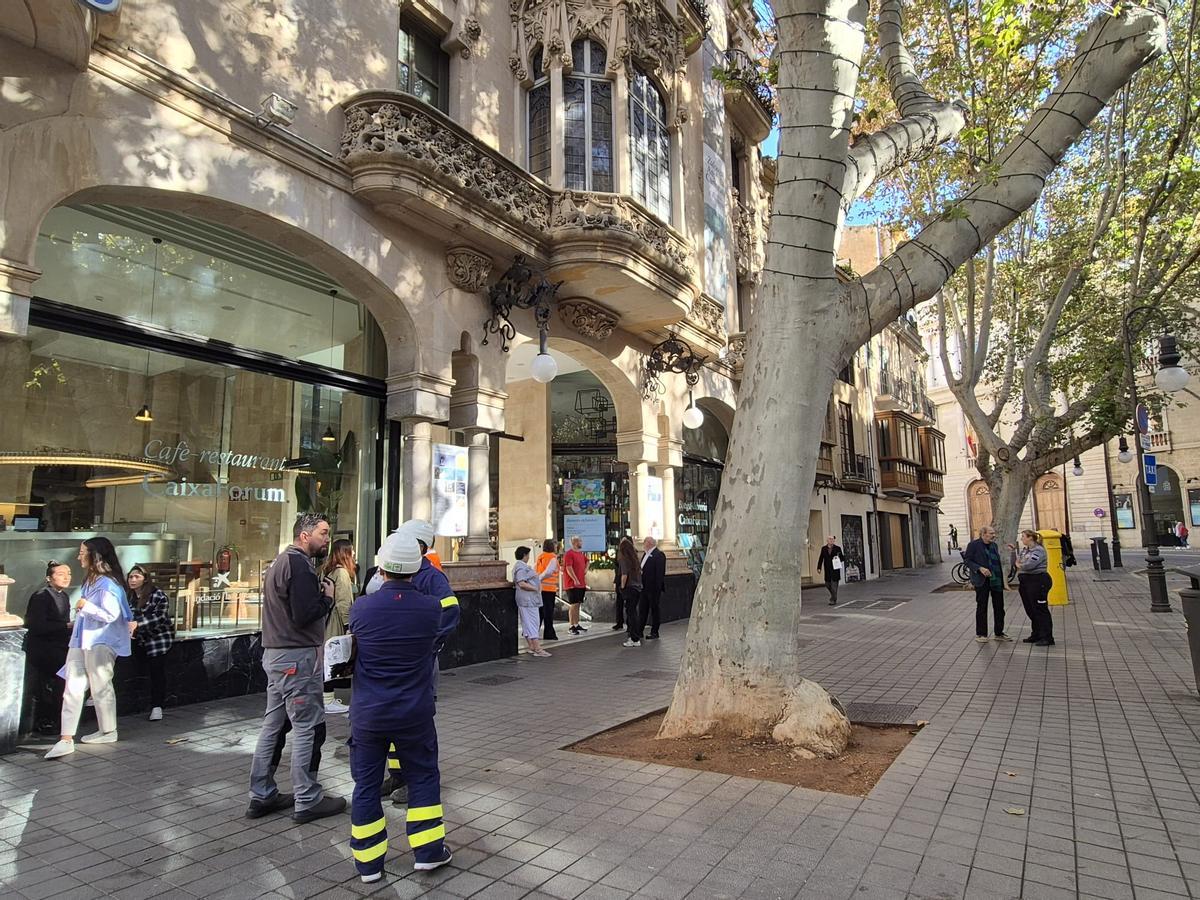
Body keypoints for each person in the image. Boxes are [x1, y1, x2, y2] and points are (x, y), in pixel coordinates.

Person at [347, 530, 453, 882]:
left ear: (382, 568)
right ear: (416, 567)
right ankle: (427, 853)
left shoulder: (362, 607)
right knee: (422, 777)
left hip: (368, 714)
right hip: (414, 711)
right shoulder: (429, 609)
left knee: (365, 785)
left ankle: (368, 865)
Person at [246, 513, 345, 823]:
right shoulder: (300, 565)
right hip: (296, 658)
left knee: (273, 724)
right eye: (323, 533)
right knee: (308, 727)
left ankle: (262, 793)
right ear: (305, 535)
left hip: (276, 655)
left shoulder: (279, 563)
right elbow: (304, 614)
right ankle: (308, 798)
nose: (327, 539)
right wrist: (327, 599)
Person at [382, 520, 460, 807]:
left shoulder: (432, 577)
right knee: (393, 723)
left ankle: (417, 781)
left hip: (419, 664)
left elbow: (450, 612)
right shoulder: (396, 572)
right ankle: (398, 776)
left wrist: (429, 645)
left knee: (416, 723)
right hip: (393, 664)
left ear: (419, 546)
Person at [44, 538, 133, 759]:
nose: (78, 556)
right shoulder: (92, 582)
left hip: (100, 641)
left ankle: (107, 730)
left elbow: (111, 615)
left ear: (95, 556)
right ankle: (66, 737)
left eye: (83, 552)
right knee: (73, 687)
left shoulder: (106, 584)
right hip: (82, 641)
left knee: (100, 686)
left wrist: (87, 606)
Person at [24, 561, 73, 735]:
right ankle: (49, 720)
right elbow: (36, 626)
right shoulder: (42, 596)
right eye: (60, 574)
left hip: (59, 647)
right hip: (43, 649)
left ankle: (58, 719)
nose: (66, 577)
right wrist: (66, 627)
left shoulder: (64, 596)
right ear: (48, 578)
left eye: (68, 573)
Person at [127, 565, 173, 722]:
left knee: (157, 672)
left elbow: (160, 617)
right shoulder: (129, 597)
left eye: (137, 577)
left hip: (157, 639)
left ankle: (157, 706)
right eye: (131, 577)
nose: (133, 580)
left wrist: (137, 624)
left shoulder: (158, 595)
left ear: (145, 579)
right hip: (138, 639)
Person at [321, 539, 357, 715]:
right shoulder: (342, 573)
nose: (355, 554)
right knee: (332, 661)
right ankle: (328, 700)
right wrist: (348, 624)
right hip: (335, 622)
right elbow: (343, 602)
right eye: (352, 551)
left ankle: (327, 698)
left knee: (328, 660)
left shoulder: (328, 570)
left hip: (326, 620)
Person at [964, 525, 1011, 643]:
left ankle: (999, 633)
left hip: (996, 581)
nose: (993, 535)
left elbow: (998, 563)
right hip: (981, 580)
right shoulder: (974, 545)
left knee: (999, 607)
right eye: (991, 533)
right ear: (983, 534)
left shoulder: (994, 545)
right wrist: (979, 568)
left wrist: (1004, 581)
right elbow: (967, 560)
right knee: (982, 607)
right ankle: (981, 634)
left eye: (994, 533)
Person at [1012, 530, 1055, 646]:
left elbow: (1029, 565)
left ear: (1030, 538)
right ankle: (1036, 633)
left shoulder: (1038, 550)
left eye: (1023, 537)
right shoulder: (1026, 550)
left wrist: (1020, 565)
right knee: (1030, 609)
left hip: (1038, 581)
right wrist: (1019, 564)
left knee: (1040, 609)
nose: (1022, 539)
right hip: (1026, 582)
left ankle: (1047, 637)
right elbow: (1019, 561)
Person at [513, 546, 550, 657]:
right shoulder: (521, 567)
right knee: (533, 622)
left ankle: (532, 647)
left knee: (527, 623)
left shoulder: (520, 566)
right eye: (528, 555)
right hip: (528, 600)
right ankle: (537, 648)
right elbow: (521, 583)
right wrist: (535, 588)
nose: (529, 557)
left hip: (527, 600)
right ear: (524, 555)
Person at [616, 537, 643, 648]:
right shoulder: (634, 558)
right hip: (637, 588)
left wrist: (622, 587)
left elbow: (624, 574)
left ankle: (634, 638)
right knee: (634, 613)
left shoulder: (623, 559)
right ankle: (635, 636)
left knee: (631, 613)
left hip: (629, 588)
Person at [639, 536, 666, 640]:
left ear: (649, 543)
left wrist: (657, 588)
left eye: (644, 542)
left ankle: (655, 631)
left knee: (654, 609)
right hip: (644, 587)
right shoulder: (645, 554)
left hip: (653, 588)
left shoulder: (659, 555)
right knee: (643, 609)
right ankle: (639, 630)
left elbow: (659, 574)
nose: (643, 545)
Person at [562, 535, 589, 635]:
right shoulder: (569, 554)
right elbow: (568, 568)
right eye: (580, 541)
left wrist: (585, 570)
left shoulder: (581, 554)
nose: (581, 543)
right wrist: (575, 579)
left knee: (578, 604)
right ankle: (571, 626)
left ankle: (576, 624)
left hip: (581, 583)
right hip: (572, 584)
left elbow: (587, 561)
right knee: (573, 604)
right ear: (574, 543)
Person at [535, 539, 560, 641]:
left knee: (540, 611)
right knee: (548, 612)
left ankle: (533, 630)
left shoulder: (540, 557)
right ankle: (549, 633)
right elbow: (548, 572)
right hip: (549, 589)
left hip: (540, 588)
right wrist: (539, 578)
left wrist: (537, 580)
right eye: (555, 545)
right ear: (551, 546)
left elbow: (535, 569)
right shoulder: (552, 558)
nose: (556, 547)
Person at [816, 536, 844, 606]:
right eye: (830, 539)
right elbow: (821, 558)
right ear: (827, 541)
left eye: (832, 539)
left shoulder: (838, 548)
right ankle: (834, 596)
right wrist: (819, 568)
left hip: (835, 570)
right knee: (827, 584)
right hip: (827, 570)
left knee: (834, 586)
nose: (831, 540)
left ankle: (833, 600)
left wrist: (838, 557)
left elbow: (842, 558)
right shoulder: (824, 548)